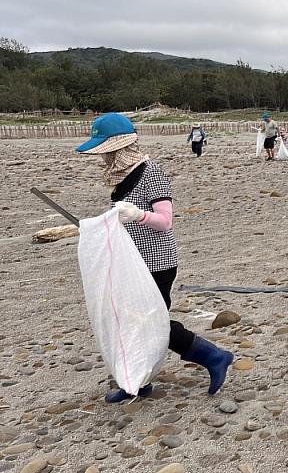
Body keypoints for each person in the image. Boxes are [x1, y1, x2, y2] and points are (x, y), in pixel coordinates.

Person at [75, 113, 234, 402]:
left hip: (158, 262)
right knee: (130, 320)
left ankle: (214, 356)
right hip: (132, 262)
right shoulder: (122, 177)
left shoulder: (151, 174)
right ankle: (138, 381)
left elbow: (164, 220)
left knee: (153, 322)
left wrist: (137, 214)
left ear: (121, 148)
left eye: (108, 152)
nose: (105, 159)